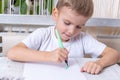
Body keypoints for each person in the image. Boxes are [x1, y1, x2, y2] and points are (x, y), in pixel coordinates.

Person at [7, 0, 120, 74]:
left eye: (79, 26)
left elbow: (114, 54)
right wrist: (48, 56)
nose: (72, 31)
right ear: (55, 14)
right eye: (67, 23)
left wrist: (99, 64)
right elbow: (13, 52)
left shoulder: (83, 39)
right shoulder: (43, 34)